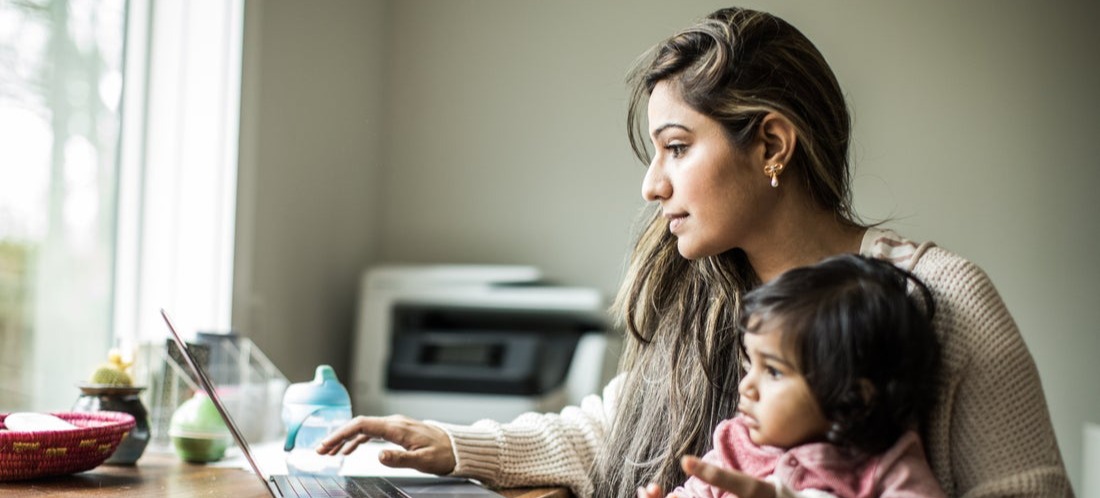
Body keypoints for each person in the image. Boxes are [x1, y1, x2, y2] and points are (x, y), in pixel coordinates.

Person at [318, 6, 1073, 498]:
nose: (652, 186)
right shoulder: (701, 292)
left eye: (677, 147)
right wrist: (450, 445)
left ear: (772, 144)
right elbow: (611, 432)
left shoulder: (936, 300)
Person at [638, 254, 946, 498]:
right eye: (750, 365)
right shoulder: (736, 443)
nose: (746, 387)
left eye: (772, 370)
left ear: (854, 397)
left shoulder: (885, 465)